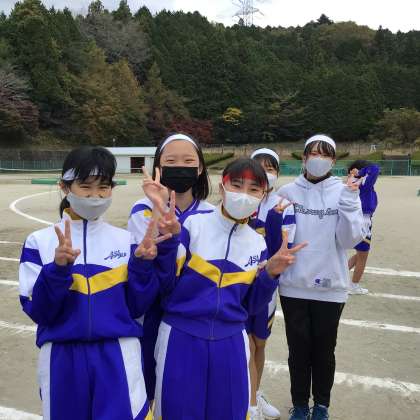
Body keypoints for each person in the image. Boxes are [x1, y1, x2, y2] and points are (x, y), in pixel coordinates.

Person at [140, 157, 306, 420]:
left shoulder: (257, 244)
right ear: (222, 187)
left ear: (263, 196)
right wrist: (170, 242)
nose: (244, 194)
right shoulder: (192, 226)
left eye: (254, 189)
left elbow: (251, 306)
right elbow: (165, 284)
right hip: (180, 336)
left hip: (231, 341)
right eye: (237, 185)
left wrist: (270, 274)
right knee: (177, 412)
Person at [19, 146, 164, 420]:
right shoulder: (39, 242)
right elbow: (39, 312)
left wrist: (142, 266)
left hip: (118, 352)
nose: (95, 196)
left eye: (103, 187)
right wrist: (58, 270)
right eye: (85, 187)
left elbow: (138, 306)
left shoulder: (126, 241)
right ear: (65, 187)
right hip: (61, 355)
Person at [277, 135, 364, 420]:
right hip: (293, 286)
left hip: (331, 286)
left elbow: (350, 240)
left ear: (333, 161)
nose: (318, 159)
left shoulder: (345, 192)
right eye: (313, 153)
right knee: (298, 351)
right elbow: (278, 236)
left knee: (325, 352)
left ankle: (322, 406)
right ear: (303, 158)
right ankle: (300, 405)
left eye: (325, 155)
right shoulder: (287, 192)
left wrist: (349, 201)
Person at [127, 133, 214, 402]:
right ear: (159, 167)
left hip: (191, 315)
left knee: (184, 391)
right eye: (171, 161)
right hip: (152, 314)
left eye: (188, 161)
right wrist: (159, 205)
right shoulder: (142, 209)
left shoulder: (211, 214)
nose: (180, 167)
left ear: (200, 168)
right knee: (149, 389)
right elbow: (145, 264)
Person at [247, 148, 296, 420]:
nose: (266, 173)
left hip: (267, 284)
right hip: (240, 284)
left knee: (260, 343)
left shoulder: (283, 203)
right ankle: (249, 402)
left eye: (271, 168)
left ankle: (256, 391)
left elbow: (284, 247)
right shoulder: (242, 198)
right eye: (260, 166)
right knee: (245, 344)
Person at [347, 160, 380, 295]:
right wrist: (361, 172)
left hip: (358, 219)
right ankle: (353, 286)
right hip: (363, 221)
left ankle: (337, 275)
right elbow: (375, 168)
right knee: (362, 257)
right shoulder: (362, 182)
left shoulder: (352, 181)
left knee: (359, 254)